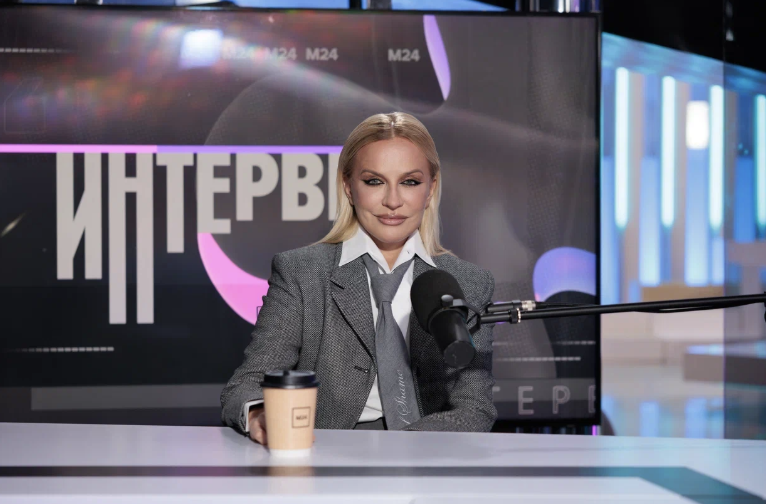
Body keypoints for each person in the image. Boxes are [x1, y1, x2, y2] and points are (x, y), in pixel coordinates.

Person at [221, 112, 496, 444]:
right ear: (348, 187)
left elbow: (474, 408)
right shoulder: (301, 273)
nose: (392, 201)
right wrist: (260, 414)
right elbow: (246, 385)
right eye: (374, 181)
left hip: (428, 453)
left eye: (410, 182)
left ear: (430, 189)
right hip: (326, 456)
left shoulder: (469, 282)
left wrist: (397, 452)